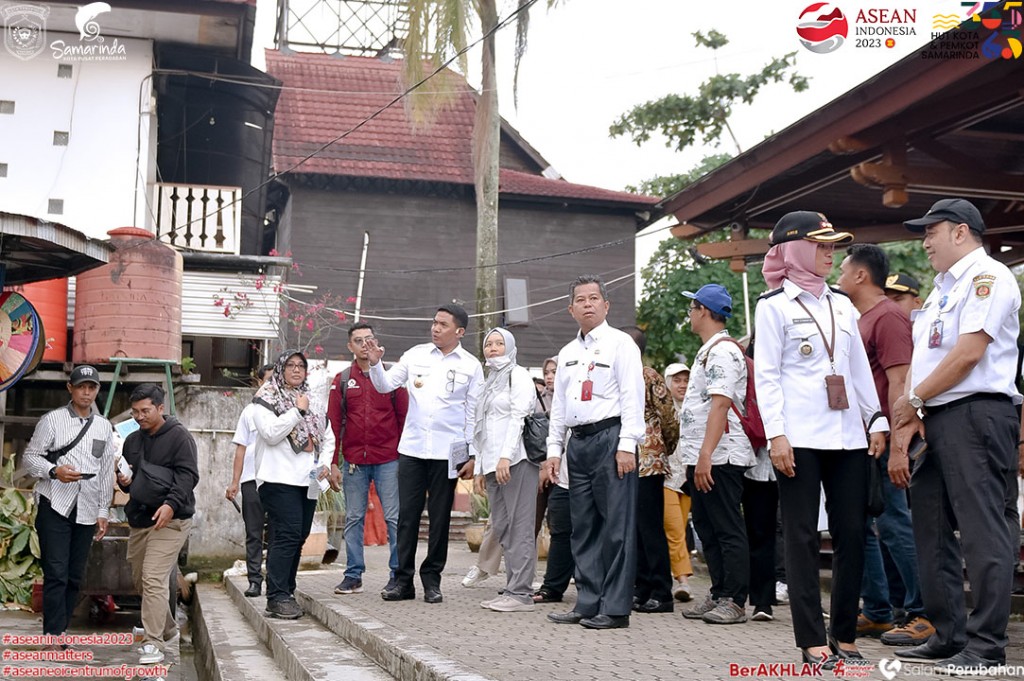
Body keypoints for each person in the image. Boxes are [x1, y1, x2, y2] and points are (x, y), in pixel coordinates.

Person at [891, 198, 1021, 675]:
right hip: (937, 415)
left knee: (983, 532)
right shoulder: (944, 288)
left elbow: (968, 355)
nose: (924, 241)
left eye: (932, 231)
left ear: (961, 232)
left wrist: (915, 399)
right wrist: (918, 408)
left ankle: (986, 646)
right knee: (932, 530)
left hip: (975, 413)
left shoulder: (988, 278)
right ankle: (949, 634)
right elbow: (932, 356)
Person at [754, 211, 888, 667]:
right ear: (794, 248)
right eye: (822, 245)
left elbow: (857, 371)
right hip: (800, 436)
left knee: (852, 533)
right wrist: (776, 435)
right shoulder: (772, 306)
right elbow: (767, 377)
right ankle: (812, 640)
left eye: (834, 247)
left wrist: (877, 420)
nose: (831, 254)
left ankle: (845, 636)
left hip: (848, 434)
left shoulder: (843, 305)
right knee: (801, 536)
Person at [836, 244, 934, 646]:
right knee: (863, 527)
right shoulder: (859, 319)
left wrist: (898, 445)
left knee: (894, 524)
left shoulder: (889, 317)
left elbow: (900, 383)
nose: (837, 277)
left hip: (885, 440)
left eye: (843, 270)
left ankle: (923, 611)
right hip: (861, 440)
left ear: (861, 275)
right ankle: (876, 610)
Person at [544, 275, 645, 630]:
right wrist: (554, 449)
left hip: (611, 437)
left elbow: (634, 396)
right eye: (580, 300)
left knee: (616, 527)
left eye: (594, 298)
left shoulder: (621, 344)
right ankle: (587, 602)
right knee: (582, 527)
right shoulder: (568, 353)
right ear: (570, 309)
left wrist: (627, 444)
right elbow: (559, 406)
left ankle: (615, 608)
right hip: (578, 443)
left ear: (606, 305)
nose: (587, 304)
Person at [364, 303, 483, 604]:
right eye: (434, 322)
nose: (435, 328)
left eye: (443, 324)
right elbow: (385, 386)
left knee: (440, 518)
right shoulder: (415, 355)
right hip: (414, 449)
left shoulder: (471, 365)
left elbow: (473, 414)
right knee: (407, 517)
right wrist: (376, 364)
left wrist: (471, 455)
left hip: (449, 453)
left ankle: (432, 580)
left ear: (459, 331)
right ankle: (402, 581)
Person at [677, 284, 755, 625]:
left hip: (721, 454)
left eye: (692, 308)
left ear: (704, 311)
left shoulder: (723, 351)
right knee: (707, 527)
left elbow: (721, 403)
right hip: (704, 453)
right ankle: (719, 592)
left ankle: (736, 599)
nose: (689, 314)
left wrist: (706, 454)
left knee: (726, 526)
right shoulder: (708, 350)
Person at [24, 365, 116, 643]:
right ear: (70, 389)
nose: (86, 392)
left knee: (75, 575)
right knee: (56, 572)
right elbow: (30, 459)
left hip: (87, 508)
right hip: (54, 503)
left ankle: (61, 628)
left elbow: (105, 471)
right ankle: (52, 634)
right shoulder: (52, 420)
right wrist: (54, 471)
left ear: (97, 390)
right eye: (81, 387)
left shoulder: (103, 426)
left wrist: (103, 511)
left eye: (92, 387)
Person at [116, 383, 199, 665]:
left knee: (153, 577)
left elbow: (188, 477)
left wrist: (171, 504)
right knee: (141, 580)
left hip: (172, 519)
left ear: (160, 408)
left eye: (146, 411)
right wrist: (124, 481)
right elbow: (129, 481)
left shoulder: (179, 437)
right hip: (140, 518)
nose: (140, 416)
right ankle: (167, 628)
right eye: (136, 411)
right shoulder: (132, 441)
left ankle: (153, 642)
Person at [327, 322, 408, 596]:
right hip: (353, 462)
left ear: (376, 343)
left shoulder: (392, 378)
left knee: (395, 518)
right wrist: (334, 463)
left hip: (388, 459)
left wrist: (404, 457)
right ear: (350, 346)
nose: (364, 345)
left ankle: (398, 574)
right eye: (358, 340)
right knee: (353, 518)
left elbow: (404, 419)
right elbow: (334, 424)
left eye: (369, 339)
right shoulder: (341, 380)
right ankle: (353, 575)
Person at [251, 350, 333, 620]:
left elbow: (328, 434)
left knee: (298, 536)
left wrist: (324, 464)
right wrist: (297, 411)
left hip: (307, 480)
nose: (297, 370)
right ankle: (276, 596)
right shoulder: (266, 397)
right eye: (290, 365)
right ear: (280, 368)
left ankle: (286, 589)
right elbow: (271, 433)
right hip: (277, 478)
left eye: (301, 366)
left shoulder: (312, 399)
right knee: (285, 535)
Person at [473, 328, 539, 612]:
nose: (494, 348)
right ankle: (512, 587)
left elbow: (518, 417)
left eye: (500, 343)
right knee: (502, 526)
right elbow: (482, 430)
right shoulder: (490, 382)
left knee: (520, 526)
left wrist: (505, 457)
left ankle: (521, 593)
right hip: (492, 464)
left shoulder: (518, 375)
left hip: (516, 462)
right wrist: (479, 467)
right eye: (489, 344)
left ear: (510, 347)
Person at [622, 325, 678, 614]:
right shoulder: (615, 374)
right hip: (623, 460)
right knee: (633, 530)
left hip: (648, 461)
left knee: (650, 528)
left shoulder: (649, 375)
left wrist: (662, 449)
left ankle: (661, 591)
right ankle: (641, 588)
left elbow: (669, 417)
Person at [225, 364, 274, 598]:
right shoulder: (249, 412)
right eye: (268, 380)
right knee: (253, 532)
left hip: (277, 479)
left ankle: (275, 581)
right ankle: (255, 580)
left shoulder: (285, 410)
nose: (271, 385)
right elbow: (240, 450)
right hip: (251, 480)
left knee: (276, 533)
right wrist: (235, 482)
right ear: (259, 383)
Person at [662, 362, 694, 602]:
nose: (682, 385)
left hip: (690, 477)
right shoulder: (662, 409)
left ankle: (670, 576)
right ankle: (682, 580)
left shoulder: (697, 406)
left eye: (685, 380)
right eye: (677, 380)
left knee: (680, 530)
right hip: (666, 477)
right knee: (674, 530)